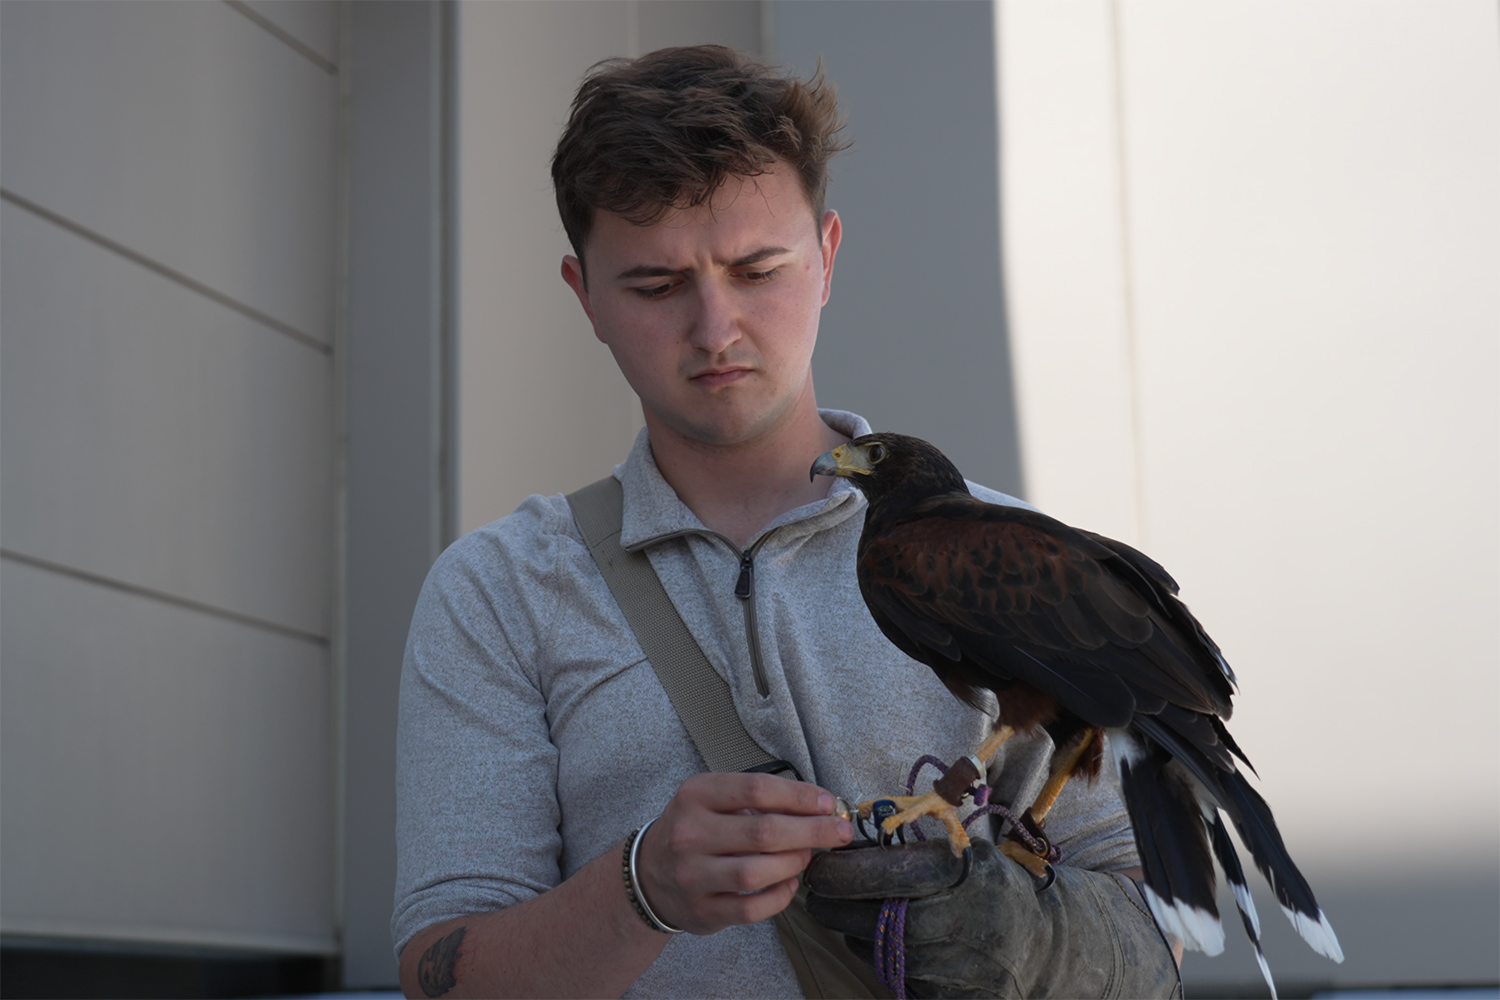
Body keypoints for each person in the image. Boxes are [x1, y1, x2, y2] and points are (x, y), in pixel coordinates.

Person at [393, 45, 1179, 999]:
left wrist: (1019, 937)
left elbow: (1157, 935)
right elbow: (443, 980)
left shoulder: (1020, 559)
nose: (715, 326)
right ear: (584, 297)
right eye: (655, 286)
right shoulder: (502, 592)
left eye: (757, 268)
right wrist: (640, 889)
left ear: (827, 258)